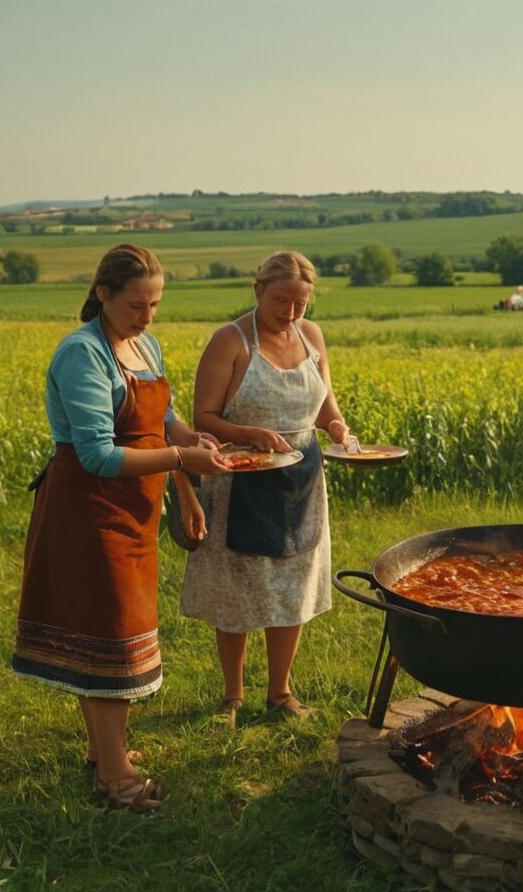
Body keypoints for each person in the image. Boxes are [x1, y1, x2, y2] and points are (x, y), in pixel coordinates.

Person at [13, 243, 230, 811]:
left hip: (135, 513)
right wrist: (183, 463)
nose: (148, 316)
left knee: (106, 638)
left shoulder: (145, 344)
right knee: (110, 638)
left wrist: (188, 447)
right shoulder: (82, 355)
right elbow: (98, 456)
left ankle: (104, 752)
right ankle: (116, 779)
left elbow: (162, 418)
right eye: (137, 304)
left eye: (155, 304)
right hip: (88, 513)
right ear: (103, 295)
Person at [180, 251, 356, 725]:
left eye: (301, 304)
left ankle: (280, 692)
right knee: (238, 587)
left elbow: (324, 405)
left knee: (293, 583)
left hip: (302, 478)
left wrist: (339, 430)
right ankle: (232, 696)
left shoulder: (312, 336)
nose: (291, 313)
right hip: (241, 475)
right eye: (282, 301)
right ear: (258, 290)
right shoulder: (230, 341)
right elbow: (203, 417)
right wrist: (248, 434)